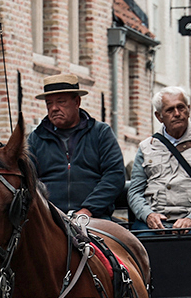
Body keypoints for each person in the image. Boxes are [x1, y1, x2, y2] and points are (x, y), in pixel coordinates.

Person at [126, 86, 191, 234]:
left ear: (189, 109)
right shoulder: (146, 147)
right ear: (159, 117)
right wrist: (148, 215)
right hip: (155, 221)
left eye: (181, 107)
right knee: (138, 248)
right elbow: (134, 191)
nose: (177, 114)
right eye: (170, 110)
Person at [27, 73, 125, 219]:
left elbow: (114, 176)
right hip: (49, 220)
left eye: (61, 102)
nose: (54, 108)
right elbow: (28, 180)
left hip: (95, 218)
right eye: (49, 103)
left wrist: (88, 210)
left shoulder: (100, 133)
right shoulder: (35, 139)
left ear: (77, 102)